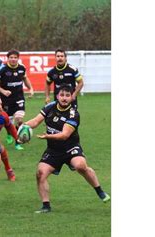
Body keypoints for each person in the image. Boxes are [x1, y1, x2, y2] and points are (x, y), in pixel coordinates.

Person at [24, 84, 110, 213]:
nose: (64, 98)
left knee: (81, 166)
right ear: (58, 96)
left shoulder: (73, 114)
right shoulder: (49, 107)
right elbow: (35, 121)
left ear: (72, 97)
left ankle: (99, 191)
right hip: (53, 150)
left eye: (67, 95)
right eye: (62, 95)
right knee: (40, 173)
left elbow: (64, 135)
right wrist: (23, 126)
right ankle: (46, 206)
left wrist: (47, 136)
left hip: (71, 148)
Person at [0, 49, 34, 150]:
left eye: (15, 58)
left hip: (19, 98)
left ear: (18, 58)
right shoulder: (2, 69)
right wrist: (3, 91)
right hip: (5, 100)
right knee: (8, 123)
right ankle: (9, 134)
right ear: (8, 58)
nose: (13, 59)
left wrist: (31, 88)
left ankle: (17, 142)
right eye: (11, 57)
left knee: (19, 120)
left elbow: (25, 78)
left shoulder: (21, 68)